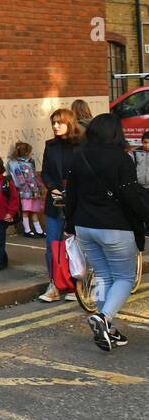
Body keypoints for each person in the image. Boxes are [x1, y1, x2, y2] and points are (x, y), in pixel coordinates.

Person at [64, 113, 139, 351]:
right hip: (114, 227)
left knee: (104, 276)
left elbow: (72, 194)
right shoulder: (122, 159)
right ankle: (104, 318)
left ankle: (110, 331)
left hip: (84, 226)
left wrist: (69, 225)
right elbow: (130, 196)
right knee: (125, 277)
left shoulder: (79, 157)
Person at [38, 108, 83, 303]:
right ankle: (54, 285)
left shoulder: (83, 145)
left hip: (77, 200)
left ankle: (76, 285)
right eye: (53, 123)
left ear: (69, 123)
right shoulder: (50, 145)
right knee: (52, 245)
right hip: (55, 200)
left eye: (59, 123)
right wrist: (52, 187)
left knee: (75, 245)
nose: (55, 126)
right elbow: (46, 172)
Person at [6, 142, 45, 238]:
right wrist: (34, 190)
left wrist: (38, 187)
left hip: (32, 191)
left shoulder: (29, 162)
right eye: (30, 152)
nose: (32, 153)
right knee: (26, 211)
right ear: (26, 152)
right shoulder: (21, 164)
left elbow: (33, 177)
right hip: (26, 192)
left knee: (34, 211)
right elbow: (23, 180)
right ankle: (27, 230)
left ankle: (39, 230)